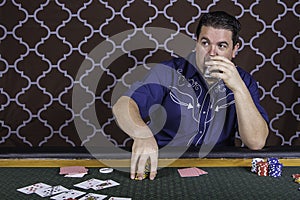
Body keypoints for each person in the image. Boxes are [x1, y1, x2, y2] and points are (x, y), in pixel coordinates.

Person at [112, 11, 269, 181]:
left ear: (234, 50)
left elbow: (256, 142)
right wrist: (142, 134)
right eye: (205, 43)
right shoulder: (169, 72)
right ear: (196, 44)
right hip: (162, 165)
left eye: (222, 46)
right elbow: (123, 105)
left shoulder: (244, 82)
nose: (211, 53)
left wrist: (238, 89)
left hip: (218, 168)